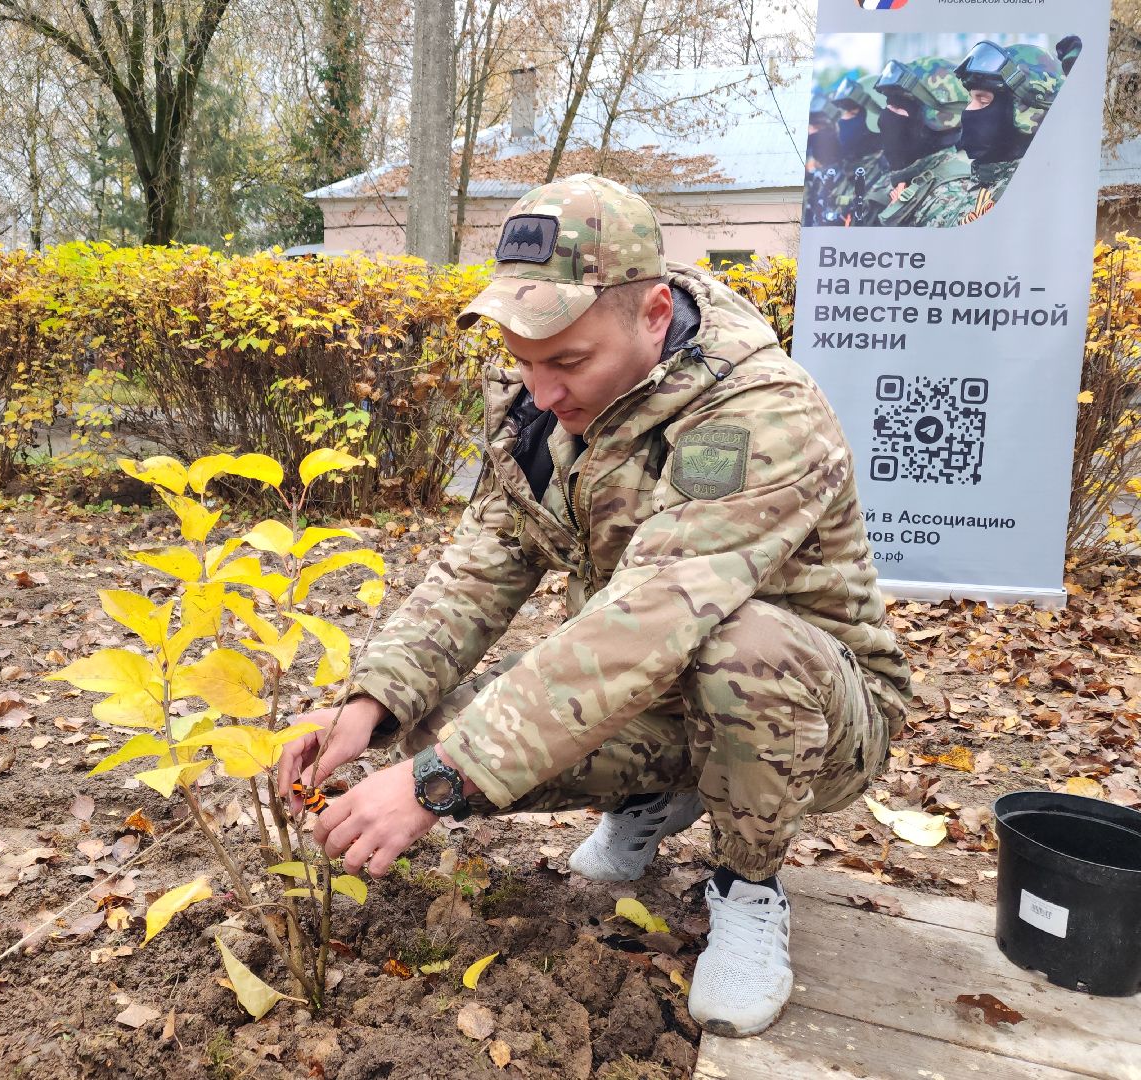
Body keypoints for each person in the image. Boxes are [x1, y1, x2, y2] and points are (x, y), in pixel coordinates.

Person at [278, 174, 912, 1038]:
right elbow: (479, 570)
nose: (540, 390)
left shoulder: (760, 416)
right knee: (429, 729)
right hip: (659, 690)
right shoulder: (545, 413)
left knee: (743, 647)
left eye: (567, 361)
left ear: (655, 315)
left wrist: (435, 784)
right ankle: (662, 792)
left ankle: (749, 886)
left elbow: (646, 620)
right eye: (523, 361)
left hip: (817, 717)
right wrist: (370, 705)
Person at [854, 56, 972, 228]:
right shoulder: (895, 180)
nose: (884, 118)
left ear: (938, 121)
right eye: (888, 106)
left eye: (898, 107)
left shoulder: (954, 200)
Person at [953, 41, 1066, 221]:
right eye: (971, 99)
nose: (968, 111)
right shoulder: (980, 184)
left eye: (983, 101)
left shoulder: (1041, 197)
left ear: (1030, 110)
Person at [826, 74, 889, 226]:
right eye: (842, 113)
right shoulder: (841, 171)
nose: (842, 121)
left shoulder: (887, 177)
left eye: (851, 113)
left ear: (873, 122)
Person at [803, 89, 844, 227]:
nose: (812, 132)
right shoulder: (808, 175)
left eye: (817, 127)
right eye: (811, 126)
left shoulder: (843, 176)